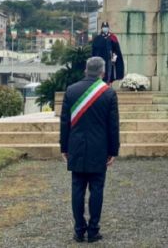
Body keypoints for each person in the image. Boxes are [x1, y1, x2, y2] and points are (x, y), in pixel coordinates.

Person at [60, 57, 120, 243]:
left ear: (86, 70)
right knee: (97, 190)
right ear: (102, 72)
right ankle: (93, 230)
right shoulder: (108, 93)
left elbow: (65, 123)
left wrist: (64, 147)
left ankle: (79, 230)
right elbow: (113, 126)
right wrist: (113, 151)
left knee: (77, 189)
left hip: (76, 147)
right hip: (99, 149)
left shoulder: (71, 90)